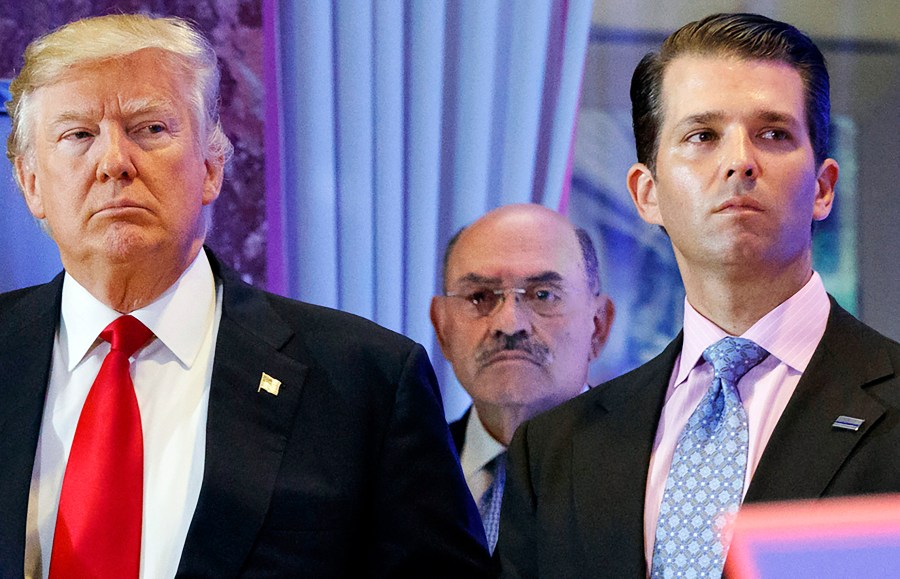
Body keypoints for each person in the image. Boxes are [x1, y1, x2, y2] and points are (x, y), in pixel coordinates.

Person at [0, 14, 492, 578]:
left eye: (150, 129)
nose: (114, 162)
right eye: (78, 135)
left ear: (212, 165)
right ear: (31, 183)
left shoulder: (366, 379)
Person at [498, 12, 900, 578]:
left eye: (773, 134)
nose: (739, 161)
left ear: (823, 187)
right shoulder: (556, 451)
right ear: (647, 193)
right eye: (702, 136)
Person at [430, 204, 615, 555]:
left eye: (543, 295)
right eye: (479, 297)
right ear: (443, 329)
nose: (510, 324)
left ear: (598, 326)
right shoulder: (399, 479)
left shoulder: (651, 473)